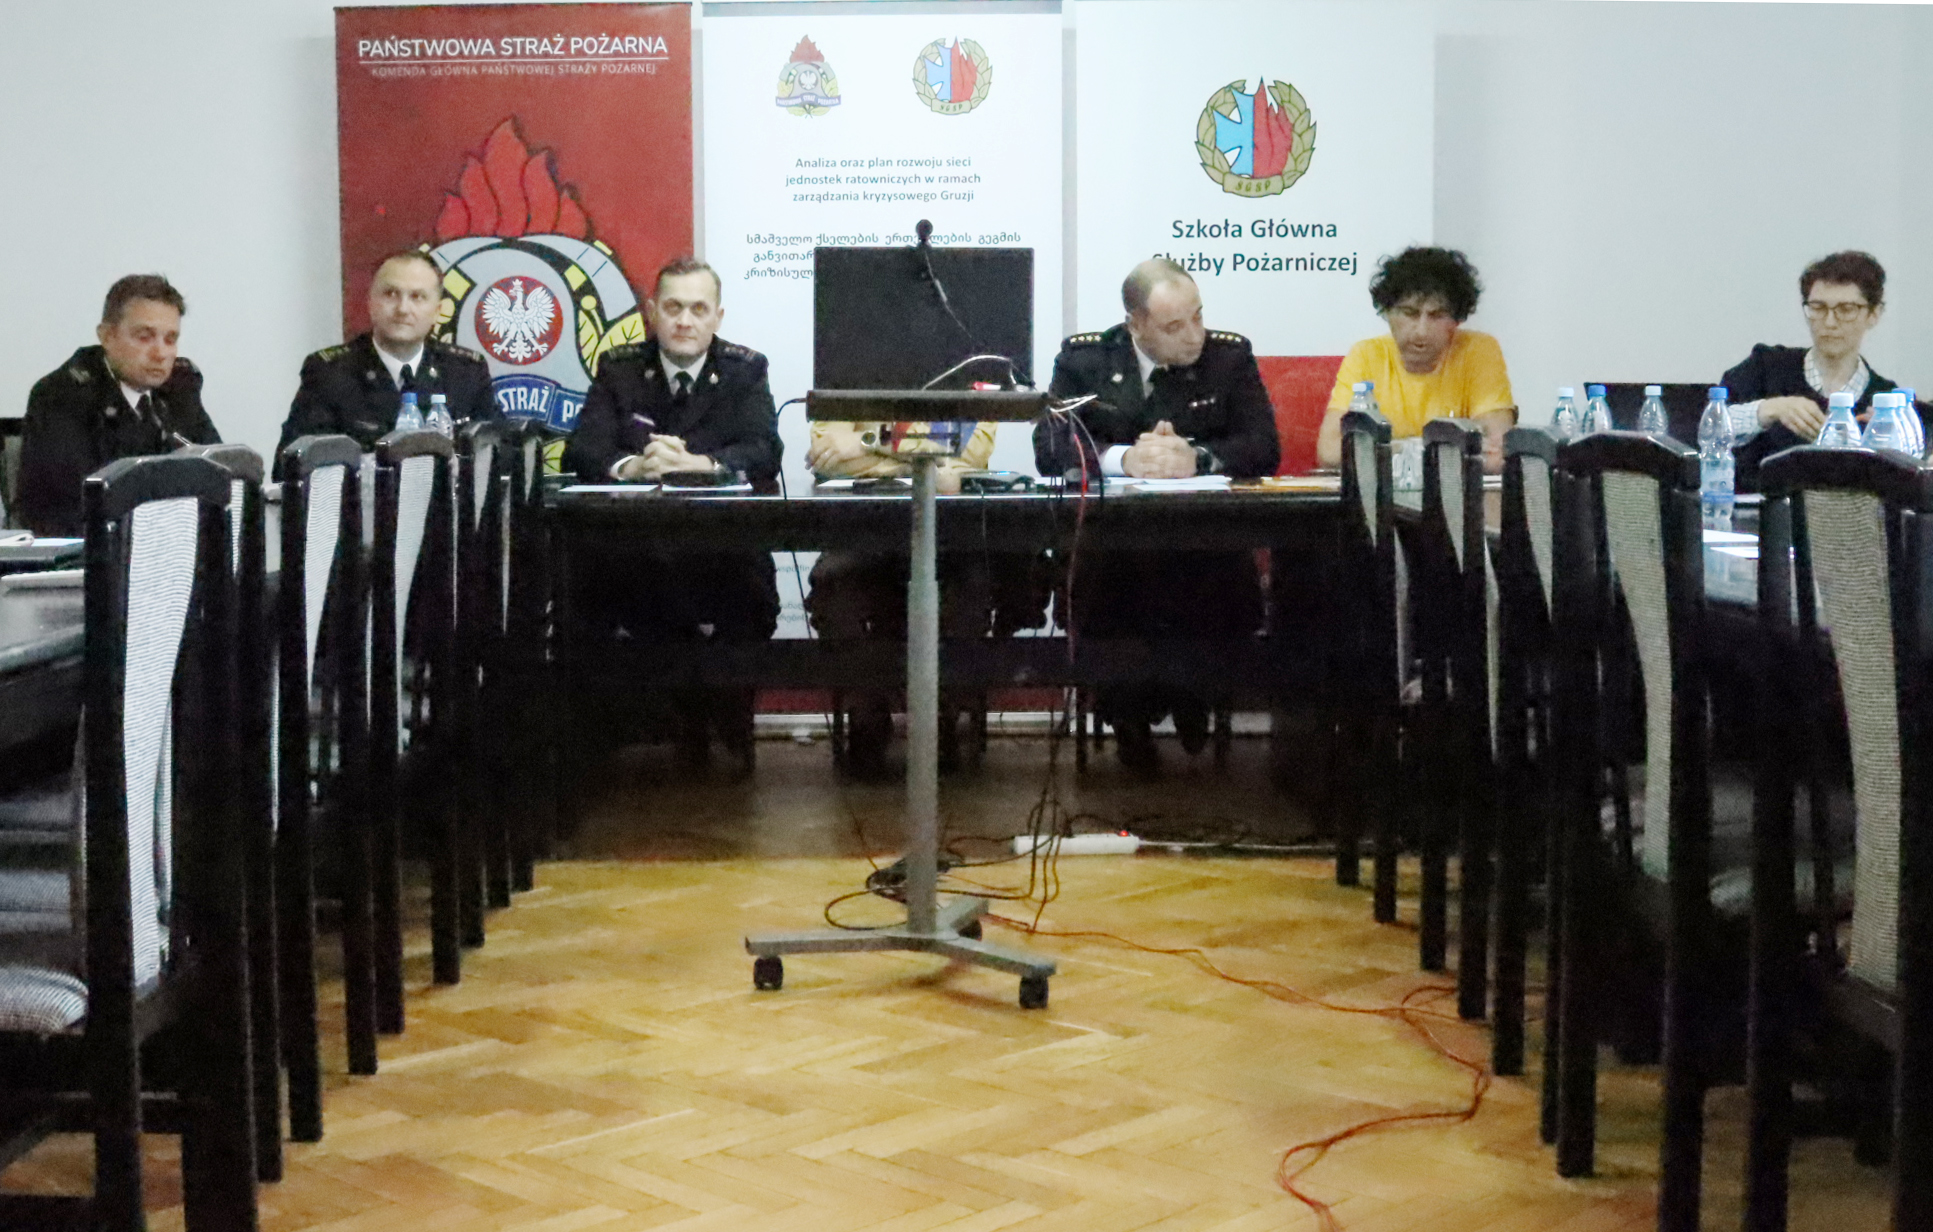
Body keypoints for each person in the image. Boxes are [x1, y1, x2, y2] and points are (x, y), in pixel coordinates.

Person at [1035, 257, 1280, 773]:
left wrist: (1199, 458)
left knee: (1203, 573)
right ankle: (1127, 715)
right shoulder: (1085, 362)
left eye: (1198, 316)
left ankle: (1195, 693)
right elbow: (1050, 446)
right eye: (1174, 326)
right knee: (1113, 578)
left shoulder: (1228, 358)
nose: (1194, 335)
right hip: (1115, 543)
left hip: (1204, 541)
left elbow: (1263, 445)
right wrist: (1122, 459)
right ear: (1136, 325)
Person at [562, 256, 782, 764]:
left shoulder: (744, 370)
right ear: (652, 311)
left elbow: (765, 450)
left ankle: (725, 722)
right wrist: (633, 467)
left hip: (723, 550)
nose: (685, 321)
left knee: (750, 596)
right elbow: (583, 450)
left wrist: (701, 465)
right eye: (674, 307)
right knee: (590, 587)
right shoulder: (620, 369)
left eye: (698, 309)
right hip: (638, 550)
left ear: (718, 317)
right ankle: (640, 734)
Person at [803, 420, 998, 777]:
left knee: (971, 590)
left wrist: (866, 442)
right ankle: (867, 717)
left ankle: (941, 719)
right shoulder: (849, 381)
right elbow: (827, 453)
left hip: (951, 536)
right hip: (863, 531)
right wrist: (925, 461)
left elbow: (969, 454)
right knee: (832, 587)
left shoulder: (975, 382)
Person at [18, 274, 221, 537]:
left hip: (169, 547)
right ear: (107, 336)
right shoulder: (63, 396)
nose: (160, 353)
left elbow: (220, 473)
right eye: (144, 337)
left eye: (170, 339)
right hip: (92, 551)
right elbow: (77, 506)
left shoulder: (179, 389)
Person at [1721, 250, 1921, 489]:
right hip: (1758, 507)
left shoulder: (1887, 404)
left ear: (1874, 314)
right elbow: (1709, 429)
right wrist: (1769, 409)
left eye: (1846, 309)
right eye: (1818, 308)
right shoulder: (1766, 366)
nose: (1829, 322)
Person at [277, 250, 496, 465]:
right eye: (391, 294)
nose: (403, 309)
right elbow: (289, 465)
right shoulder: (330, 373)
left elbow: (499, 454)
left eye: (417, 297)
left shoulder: (466, 372)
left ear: (437, 311)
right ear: (370, 303)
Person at [1316, 246, 1516, 473]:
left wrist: (1384, 450)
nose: (1421, 331)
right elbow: (1329, 452)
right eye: (1409, 313)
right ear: (1387, 312)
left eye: (1437, 316)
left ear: (1457, 320)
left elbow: (1497, 454)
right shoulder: (1366, 354)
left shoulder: (1479, 350)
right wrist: (1423, 448)